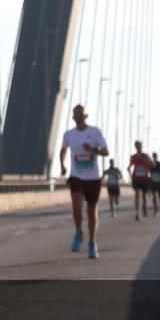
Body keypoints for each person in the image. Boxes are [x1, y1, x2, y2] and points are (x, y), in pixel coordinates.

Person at [59, 104, 110, 259]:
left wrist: (93, 150)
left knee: (91, 212)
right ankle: (79, 232)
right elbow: (63, 150)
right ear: (74, 117)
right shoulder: (69, 134)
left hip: (93, 178)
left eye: (81, 113)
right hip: (76, 176)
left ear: (85, 116)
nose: (79, 116)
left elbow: (106, 152)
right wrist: (62, 165)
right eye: (76, 114)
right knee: (76, 205)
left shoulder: (94, 132)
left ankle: (92, 242)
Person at [128, 141, 153, 220]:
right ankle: (138, 213)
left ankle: (144, 206)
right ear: (135, 147)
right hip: (136, 178)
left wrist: (143, 159)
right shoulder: (133, 156)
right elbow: (129, 167)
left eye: (139, 146)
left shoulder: (146, 156)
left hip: (145, 178)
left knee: (144, 197)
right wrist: (131, 174)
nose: (138, 147)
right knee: (137, 194)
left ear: (142, 146)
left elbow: (152, 164)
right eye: (137, 146)